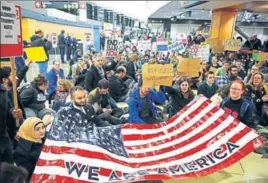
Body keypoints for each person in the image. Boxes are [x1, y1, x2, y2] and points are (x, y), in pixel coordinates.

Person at [13, 117, 46, 182]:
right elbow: (28, 176)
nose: (42, 131)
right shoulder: (22, 152)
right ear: (29, 130)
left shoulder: (45, 140)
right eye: (37, 129)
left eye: (43, 127)